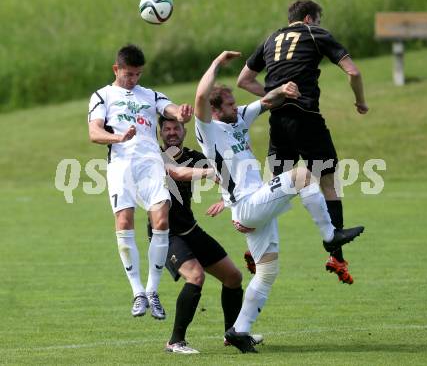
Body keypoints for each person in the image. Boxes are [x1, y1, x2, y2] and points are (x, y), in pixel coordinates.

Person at [194, 50, 364, 353]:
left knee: (268, 271)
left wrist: (282, 90)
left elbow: (266, 102)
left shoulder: (237, 120)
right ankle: (330, 236)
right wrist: (217, 63)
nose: (237, 107)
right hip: (247, 204)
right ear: (215, 110)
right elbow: (200, 96)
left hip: (254, 207)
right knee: (301, 175)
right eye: (230, 104)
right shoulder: (208, 129)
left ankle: (239, 331)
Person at [236, 0, 369, 284]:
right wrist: (360, 102)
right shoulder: (313, 33)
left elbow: (244, 80)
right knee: (328, 182)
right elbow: (354, 72)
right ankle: (336, 254)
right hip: (306, 119)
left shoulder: (271, 38)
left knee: (273, 186)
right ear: (309, 18)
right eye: (318, 21)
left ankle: (253, 249)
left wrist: (274, 95)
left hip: (278, 120)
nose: (319, 25)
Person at [88, 44, 192, 320]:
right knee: (124, 222)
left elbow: (171, 109)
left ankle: (152, 291)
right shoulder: (103, 95)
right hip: (121, 164)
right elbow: (94, 132)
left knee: (161, 221)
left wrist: (181, 113)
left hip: (151, 163)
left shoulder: (150, 95)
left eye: (137, 75)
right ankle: (137, 292)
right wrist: (118, 138)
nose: (133, 80)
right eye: (129, 74)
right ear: (116, 69)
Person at [154, 116, 263, 354]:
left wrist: (227, 201)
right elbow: (176, 173)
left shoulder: (195, 156)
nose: (172, 132)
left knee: (233, 277)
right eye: (167, 129)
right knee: (195, 276)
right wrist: (207, 173)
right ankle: (175, 342)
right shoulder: (154, 156)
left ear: (184, 131)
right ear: (160, 133)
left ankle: (233, 334)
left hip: (190, 229)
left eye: (176, 128)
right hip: (165, 234)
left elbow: (228, 179)